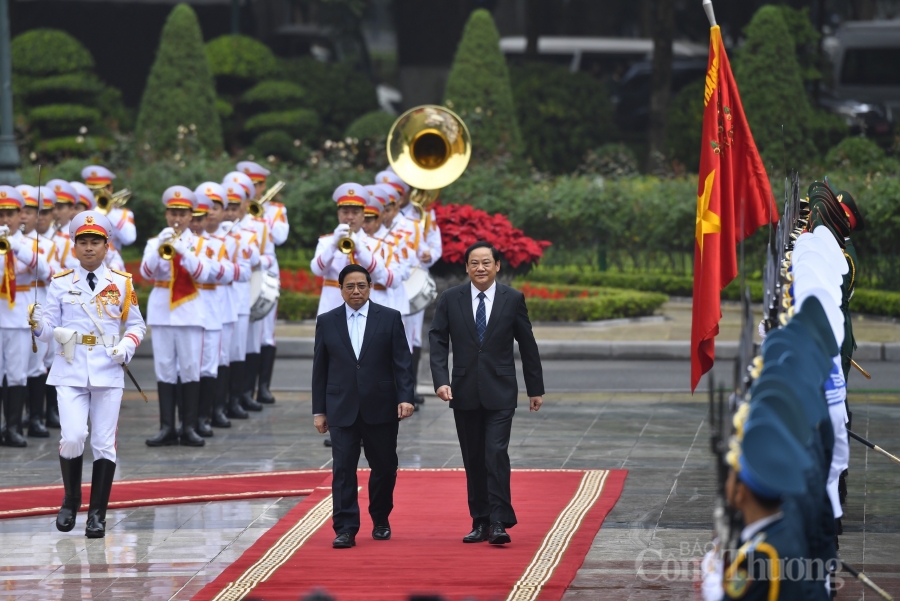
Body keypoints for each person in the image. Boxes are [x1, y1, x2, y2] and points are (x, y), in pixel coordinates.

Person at [29, 210, 146, 538]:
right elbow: (48, 329)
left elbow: (136, 324)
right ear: (74, 245)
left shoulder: (121, 283)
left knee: (104, 443)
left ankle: (98, 515)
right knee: (73, 437)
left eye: (96, 242)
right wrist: (38, 324)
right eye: (83, 242)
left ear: (107, 246)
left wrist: (126, 346)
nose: (89, 248)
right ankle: (71, 498)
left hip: (108, 369)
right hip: (69, 367)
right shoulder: (60, 282)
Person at [429, 241, 544, 545]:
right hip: (464, 391)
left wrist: (535, 389)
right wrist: (440, 380)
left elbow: (528, 345)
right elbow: (438, 340)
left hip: (501, 390)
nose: (480, 268)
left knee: (495, 453)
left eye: (486, 263)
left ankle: (499, 521)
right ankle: (479, 521)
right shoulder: (451, 299)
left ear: (497, 266)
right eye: (474, 263)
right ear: (466, 267)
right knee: (474, 459)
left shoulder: (512, 298)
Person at [311, 263, 415, 548]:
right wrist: (319, 411)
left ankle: (380, 517)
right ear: (340, 289)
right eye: (350, 286)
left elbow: (402, 363)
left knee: (384, 467)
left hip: (380, 407)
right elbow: (320, 369)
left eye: (361, 286)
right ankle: (345, 528)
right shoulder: (327, 321)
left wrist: (406, 397)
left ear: (370, 288)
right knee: (342, 470)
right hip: (341, 407)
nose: (356, 291)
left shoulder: (390, 318)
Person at [141, 186, 213, 447]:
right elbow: (147, 271)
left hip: (190, 313)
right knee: (165, 370)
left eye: (182, 214)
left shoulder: (200, 243)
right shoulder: (154, 242)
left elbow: (204, 274)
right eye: (172, 213)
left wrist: (183, 251)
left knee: (191, 369)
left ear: (190, 215)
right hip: (162, 314)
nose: (177, 219)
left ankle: (189, 427)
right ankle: (167, 427)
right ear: (166, 214)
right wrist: (160, 246)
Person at [0, 186, 49, 447]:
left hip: (19, 316)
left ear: (21, 215)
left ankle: (14, 427)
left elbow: (45, 271)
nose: (5, 219)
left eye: (10, 213)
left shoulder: (30, 243)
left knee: (17, 374)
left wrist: (16, 247)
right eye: (1, 214)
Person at [237, 161, 288, 405]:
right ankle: (243, 390)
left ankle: (263, 387)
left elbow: (280, 237)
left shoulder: (275, 210)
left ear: (263, 185)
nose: (253, 189)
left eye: (257, 184)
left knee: (265, 333)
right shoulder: (234, 209)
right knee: (244, 334)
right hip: (243, 276)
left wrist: (263, 212)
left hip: (266, 276)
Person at [190, 183, 236, 436]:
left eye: (212, 208)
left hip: (215, 306)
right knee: (187, 367)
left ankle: (206, 415)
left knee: (212, 363)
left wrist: (208, 268)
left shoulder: (223, 242)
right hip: (185, 309)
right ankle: (188, 420)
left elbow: (234, 271)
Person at [16, 185, 60, 438]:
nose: (24, 216)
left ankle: (36, 417)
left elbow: (51, 273)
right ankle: (13, 418)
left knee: (35, 365)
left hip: (36, 307)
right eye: (20, 211)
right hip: (8, 308)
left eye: (30, 211)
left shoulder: (47, 245)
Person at [220, 180, 261, 418]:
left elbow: (254, 259)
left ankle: (235, 400)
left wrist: (237, 238)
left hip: (240, 299)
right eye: (227, 208)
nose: (230, 213)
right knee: (221, 355)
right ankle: (220, 402)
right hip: (221, 301)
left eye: (235, 208)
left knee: (237, 351)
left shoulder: (248, 232)